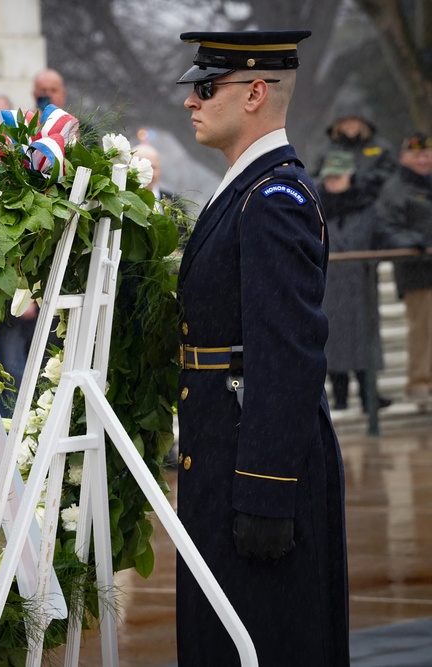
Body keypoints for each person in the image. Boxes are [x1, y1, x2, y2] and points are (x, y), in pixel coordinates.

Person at [174, 30, 348, 666]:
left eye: (204, 88)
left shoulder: (273, 198)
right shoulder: (244, 189)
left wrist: (266, 490)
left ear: (253, 93)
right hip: (224, 450)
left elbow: (287, 353)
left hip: (255, 463)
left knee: (267, 640)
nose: (191, 103)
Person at [318, 150, 393, 411]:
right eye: (329, 177)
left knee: (364, 342)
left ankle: (368, 396)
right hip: (329, 288)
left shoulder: (367, 206)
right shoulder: (315, 207)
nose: (332, 182)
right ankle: (339, 398)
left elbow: (384, 235)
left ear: (350, 176)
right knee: (334, 343)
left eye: (338, 177)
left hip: (360, 286)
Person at [375, 133, 432, 409]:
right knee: (423, 331)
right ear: (403, 158)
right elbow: (386, 227)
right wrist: (413, 244)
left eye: (426, 154)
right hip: (418, 271)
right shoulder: (395, 188)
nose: (423, 159)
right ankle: (420, 385)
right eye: (417, 155)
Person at [317, 100, 396, 199]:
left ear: (362, 122)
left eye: (353, 120)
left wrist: (371, 180)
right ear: (338, 125)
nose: (349, 124)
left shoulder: (380, 147)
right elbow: (312, 178)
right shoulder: (326, 150)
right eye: (344, 121)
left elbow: (393, 174)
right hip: (335, 205)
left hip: (372, 203)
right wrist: (328, 183)